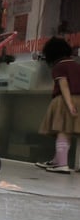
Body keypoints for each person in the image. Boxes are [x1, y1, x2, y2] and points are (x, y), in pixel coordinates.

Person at [36, 37, 80, 173]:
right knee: (71, 130)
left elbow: (64, 85)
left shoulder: (59, 66)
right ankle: (56, 161)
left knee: (62, 131)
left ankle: (62, 164)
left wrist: (70, 104)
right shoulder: (76, 65)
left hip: (64, 101)